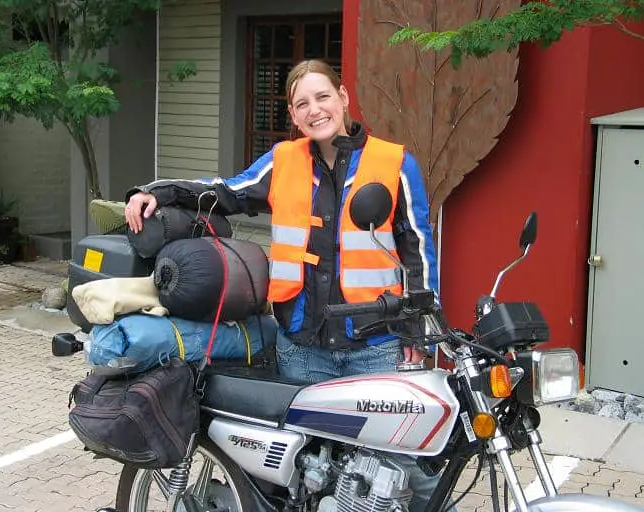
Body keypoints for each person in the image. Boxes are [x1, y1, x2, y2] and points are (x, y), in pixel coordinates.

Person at [124, 59, 451, 511]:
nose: (315, 110)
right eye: (302, 104)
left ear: (343, 97)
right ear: (294, 118)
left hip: (375, 348)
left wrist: (421, 329)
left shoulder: (394, 164)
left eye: (322, 97)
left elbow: (417, 247)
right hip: (302, 348)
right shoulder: (283, 162)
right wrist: (156, 193)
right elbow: (224, 191)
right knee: (305, 477)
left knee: (407, 472)